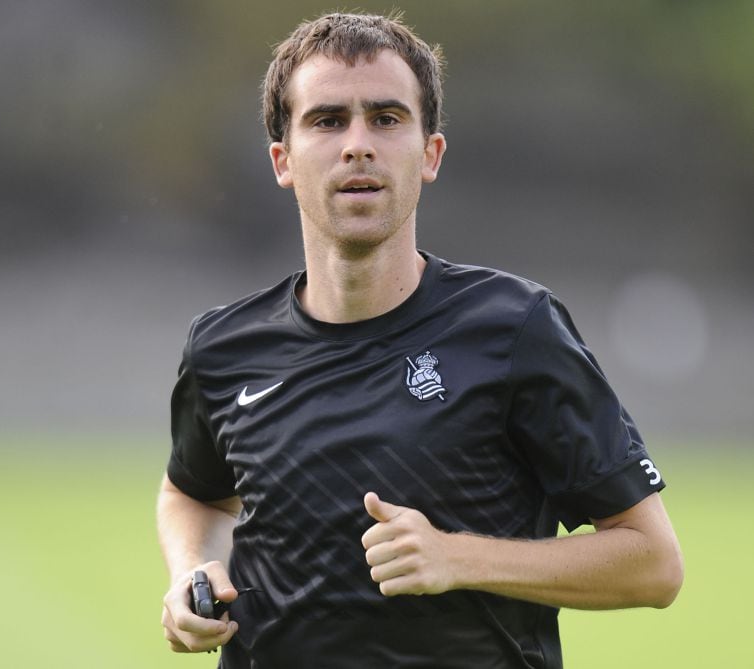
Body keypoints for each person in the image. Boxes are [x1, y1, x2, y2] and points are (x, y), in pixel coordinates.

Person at [157, 11, 684, 668]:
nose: (358, 145)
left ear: (429, 153)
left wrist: (457, 555)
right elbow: (192, 491)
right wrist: (192, 571)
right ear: (282, 160)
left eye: (386, 118)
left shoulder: (515, 329)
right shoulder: (223, 347)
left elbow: (652, 562)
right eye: (327, 120)